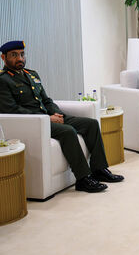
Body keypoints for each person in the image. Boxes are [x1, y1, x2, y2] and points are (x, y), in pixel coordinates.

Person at [0, 40, 123, 193]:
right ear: (3, 58)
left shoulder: (31, 74)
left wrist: (56, 113)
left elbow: (46, 100)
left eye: (22, 54)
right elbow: (12, 109)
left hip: (48, 116)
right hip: (34, 123)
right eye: (14, 55)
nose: (20, 58)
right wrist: (47, 118)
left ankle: (99, 170)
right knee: (68, 131)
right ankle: (83, 179)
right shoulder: (3, 80)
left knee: (91, 124)